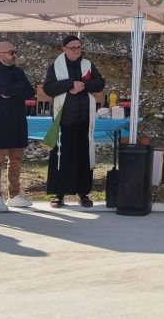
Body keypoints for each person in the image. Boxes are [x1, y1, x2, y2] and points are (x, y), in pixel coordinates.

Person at [43, 35, 105, 208]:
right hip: (64, 120)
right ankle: (59, 194)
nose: (76, 50)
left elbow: (100, 83)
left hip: (84, 119)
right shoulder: (55, 66)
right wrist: (70, 84)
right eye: (72, 47)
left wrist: (83, 85)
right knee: (62, 157)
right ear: (63, 49)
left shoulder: (87, 65)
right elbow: (49, 88)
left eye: (78, 47)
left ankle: (83, 192)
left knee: (83, 157)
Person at [0, 41, 35, 212]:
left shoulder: (18, 72)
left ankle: (14, 195)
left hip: (18, 119)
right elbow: (4, 89)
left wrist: (12, 91)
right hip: (0, 120)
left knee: (17, 159)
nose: (14, 55)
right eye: (11, 52)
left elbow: (30, 92)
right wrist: (16, 90)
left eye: (15, 51)